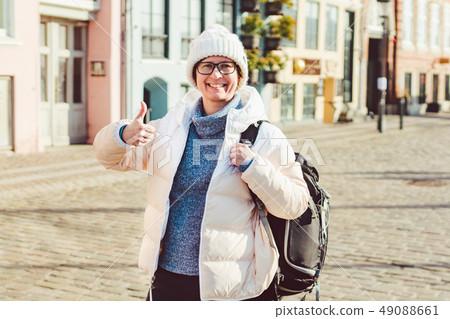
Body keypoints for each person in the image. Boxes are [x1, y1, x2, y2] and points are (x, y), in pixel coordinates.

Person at [93, 24, 309, 301]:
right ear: (194, 76)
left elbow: (294, 205)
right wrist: (122, 134)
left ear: (239, 74)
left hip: (235, 285)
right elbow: (109, 158)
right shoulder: (169, 129)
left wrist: (255, 168)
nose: (216, 74)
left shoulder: (264, 135)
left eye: (226, 66)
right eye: (206, 66)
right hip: (170, 276)